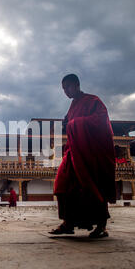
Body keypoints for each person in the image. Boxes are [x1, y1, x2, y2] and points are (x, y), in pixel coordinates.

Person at [50, 74, 116, 238]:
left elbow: (101, 122)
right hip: (74, 152)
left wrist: (74, 123)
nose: (65, 91)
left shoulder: (93, 101)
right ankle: (68, 223)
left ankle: (101, 226)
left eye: (68, 87)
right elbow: (68, 122)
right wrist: (68, 123)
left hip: (92, 154)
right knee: (63, 184)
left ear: (77, 84)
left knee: (94, 186)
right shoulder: (73, 105)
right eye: (63, 89)